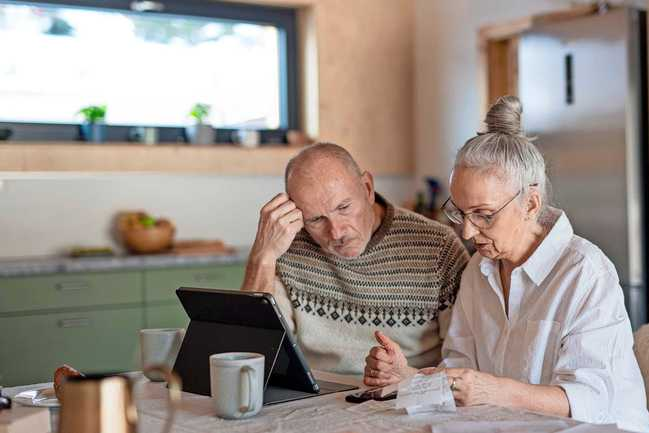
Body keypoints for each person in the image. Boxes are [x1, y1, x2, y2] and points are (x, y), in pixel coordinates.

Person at [363, 96, 649, 432]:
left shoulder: (585, 272)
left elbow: (590, 400)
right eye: (460, 213)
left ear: (530, 203)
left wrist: (492, 391)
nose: (468, 232)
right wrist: (407, 377)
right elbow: (460, 372)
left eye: (483, 215)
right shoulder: (477, 272)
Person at [241, 142, 469, 374]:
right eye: (316, 220)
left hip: (409, 396)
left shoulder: (439, 247)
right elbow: (253, 354)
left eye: (344, 207)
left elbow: (464, 363)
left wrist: (410, 378)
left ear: (367, 188)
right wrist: (262, 257)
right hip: (316, 398)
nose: (336, 232)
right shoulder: (287, 245)